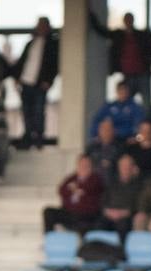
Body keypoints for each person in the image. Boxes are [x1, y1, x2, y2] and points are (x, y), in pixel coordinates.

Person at [88, 11, 151, 103]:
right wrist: (91, 16)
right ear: (124, 21)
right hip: (128, 75)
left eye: (130, 20)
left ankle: (146, 118)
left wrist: (150, 53)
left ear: (133, 21)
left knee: (146, 103)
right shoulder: (119, 35)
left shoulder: (141, 35)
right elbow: (102, 31)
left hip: (142, 73)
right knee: (126, 102)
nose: (128, 22)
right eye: (127, 20)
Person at [12, 17, 58, 149]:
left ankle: (39, 138)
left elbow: (55, 65)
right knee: (26, 111)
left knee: (38, 112)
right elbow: (22, 62)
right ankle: (28, 137)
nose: (41, 28)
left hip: (40, 84)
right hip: (26, 82)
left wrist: (49, 81)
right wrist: (17, 77)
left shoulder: (52, 44)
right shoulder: (31, 43)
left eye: (43, 26)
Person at [43, 155, 103, 232]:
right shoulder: (71, 178)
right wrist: (75, 191)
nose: (83, 167)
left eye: (86, 165)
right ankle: (49, 239)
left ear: (90, 166)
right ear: (77, 165)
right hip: (69, 212)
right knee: (48, 212)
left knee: (86, 224)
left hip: (86, 215)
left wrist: (78, 189)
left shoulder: (96, 179)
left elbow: (92, 192)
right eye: (81, 164)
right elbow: (61, 190)